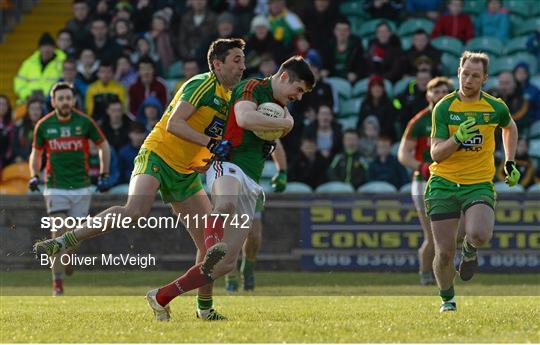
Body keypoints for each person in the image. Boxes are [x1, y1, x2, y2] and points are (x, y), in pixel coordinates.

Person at [34, 38, 247, 320]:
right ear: (217, 64)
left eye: (243, 60)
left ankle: (204, 309)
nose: (243, 66)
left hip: (185, 172)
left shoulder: (231, 96)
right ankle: (64, 241)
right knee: (134, 211)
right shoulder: (202, 84)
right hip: (157, 154)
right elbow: (175, 124)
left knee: (210, 248)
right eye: (237, 60)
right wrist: (210, 143)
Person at [145, 56, 314, 319]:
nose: (299, 97)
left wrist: (282, 149)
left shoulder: (280, 107)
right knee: (225, 203)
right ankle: (212, 243)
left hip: (252, 180)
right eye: (299, 89)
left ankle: (162, 296)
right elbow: (245, 118)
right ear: (283, 77)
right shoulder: (253, 87)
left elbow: (270, 136)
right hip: (227, 164)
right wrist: (286, 124)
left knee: (225, 265)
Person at [426, 51, 519, 312]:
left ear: (484, 79)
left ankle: (469, 248)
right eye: (465, 73)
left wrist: (509, 161)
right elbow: (436, 155)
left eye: (475, 76)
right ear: (458, 73)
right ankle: (448, 299)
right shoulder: (445, 107)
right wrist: (457, 140)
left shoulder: (495, 107)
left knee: (480, 234)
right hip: (443, 182)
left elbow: (510, 127)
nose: (468, 80)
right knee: (443, 252)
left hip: (477, 183)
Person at [29, 82, 111, 296]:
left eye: (68, 98)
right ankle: (57, 284)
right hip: (55, 187)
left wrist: (104, 173)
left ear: (74, 100)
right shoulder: (44, 125)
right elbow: (36, 154)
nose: (65, 102)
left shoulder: (85, 122)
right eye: (61, 98)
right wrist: (34, 176)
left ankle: (69, 259)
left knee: (74, 238)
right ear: (53, 101)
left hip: (81, 188)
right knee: (58, 232)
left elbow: (103, 145)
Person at [398, 76, 452, 285]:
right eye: (435, 91)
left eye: (444, 91)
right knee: (432, 235)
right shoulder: (420, 121)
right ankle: (425, 274)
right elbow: (403, 154)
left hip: (450, 179)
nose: (439, 95)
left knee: (453, 233)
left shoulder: (454, 118)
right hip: (424, 181)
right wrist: (420, 166)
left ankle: (438, 272)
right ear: (428, 94)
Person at [224, 140, 288, 292]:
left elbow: (276, 142)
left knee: (253, 235)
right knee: (229, 234)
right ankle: (230, 276)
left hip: (251, 186)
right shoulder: (225, 120)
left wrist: (282, 171)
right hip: (226, 181)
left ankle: (248, 269)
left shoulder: (257, 121)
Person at [14, 32, 66, 103]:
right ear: (39, 48)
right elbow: (19, 83)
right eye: (44, 46)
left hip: (52, 101)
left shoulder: (63, 62)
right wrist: (27, 95)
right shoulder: (28, 63)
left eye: (49, 46)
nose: (47, 49)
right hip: (29, 101)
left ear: (54, 48)